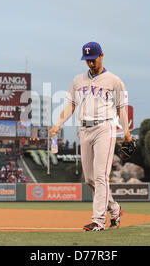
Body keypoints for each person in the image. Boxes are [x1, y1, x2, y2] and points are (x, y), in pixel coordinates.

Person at [50, 42, 131, 231]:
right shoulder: (78, 80)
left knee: (101, 176)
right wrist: (57, 124)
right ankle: (115, 208)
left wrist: (126, 133)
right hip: (85, 129)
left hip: (105, 127)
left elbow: (122, 109)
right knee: (90, 179)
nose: (90, 64)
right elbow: (70, 105)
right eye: (87, 60)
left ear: (102, 55)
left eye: (93, 59)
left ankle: (98, 221)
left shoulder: (114, 81)